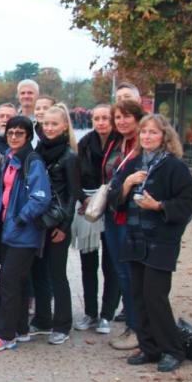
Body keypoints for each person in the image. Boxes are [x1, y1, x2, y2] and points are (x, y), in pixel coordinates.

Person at [108, 114, 192, 372]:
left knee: (155, 296)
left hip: (160, 242)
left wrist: (158, 206)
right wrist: (127, 184)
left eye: (153, 132)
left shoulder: (175, 167)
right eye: (144, 132)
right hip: (134, 239)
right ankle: (149, 347)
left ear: (164, 136)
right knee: (138, 296)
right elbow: (114, 198)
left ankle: (172, 350)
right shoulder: (133, 163)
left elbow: (189, 203)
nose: (147, 136)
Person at [0, 116, 52, 352]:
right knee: (19, 282)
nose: (13, 137)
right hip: (7, 230)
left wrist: (21, 218)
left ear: (28, 136)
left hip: (23, 232)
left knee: (8, 282)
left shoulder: (32, 161)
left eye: (19, 133)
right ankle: (21, 328)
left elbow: (41, 197)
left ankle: (5, 335)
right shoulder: (10, 157)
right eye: (10, 132)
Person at [28, 104, 81, 345]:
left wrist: (65, 227)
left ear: (64, 126)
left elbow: (72, 194)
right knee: (38, 271)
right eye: (45, 124)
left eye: (54, 124)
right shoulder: (39, 150)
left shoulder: (69, 156)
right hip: (39, 221)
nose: (49, 128)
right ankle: (42, 319)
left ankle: (62, 323)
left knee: (57, 274)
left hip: (58, 223)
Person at [72, 104, 120, 335]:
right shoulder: (85, 142)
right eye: (97, 118)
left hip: (113, 206)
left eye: (105, 118)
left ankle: (107, 314)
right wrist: (83, 199)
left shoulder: (121, 143)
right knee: (88, 261)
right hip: (89, 205)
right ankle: (90, 312)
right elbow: (77, 176)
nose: (101, 122)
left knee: (111, 263)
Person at [102, 98, 146, 350]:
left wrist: (126, 184)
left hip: (130, 218)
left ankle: (137, 328)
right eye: (118, 117)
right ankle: (132, 325)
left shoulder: (142, 146)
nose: (121, 121)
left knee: (130, 273)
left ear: (138, 119)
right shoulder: (118, 142)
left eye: (127, 116)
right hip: (112, 214)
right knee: (121, 272)